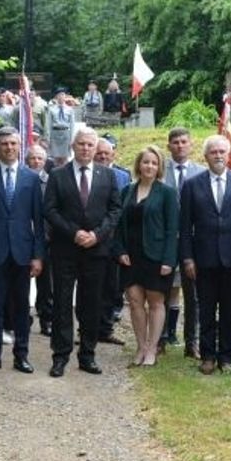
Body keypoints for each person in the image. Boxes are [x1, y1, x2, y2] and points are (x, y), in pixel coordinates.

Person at [43, 128, 123, 377]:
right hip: (66, 248)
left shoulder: (108, 176)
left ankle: (87, 354)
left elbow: (115, 211)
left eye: (90, 145)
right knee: (63, 303)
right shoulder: (57, 175)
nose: (86, 148)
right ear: (73, 146)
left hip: (96, 250)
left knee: (91, 304)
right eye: (81, 144)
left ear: (96, 148)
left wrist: (97, 235)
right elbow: (50, 210)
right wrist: (74, 232)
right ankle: (60, 355)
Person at [179, 136, 231, 375]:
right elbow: (185, 227)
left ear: (229, 155)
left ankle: (227, 356)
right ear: (205, 157)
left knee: (230, 310)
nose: (218, 155)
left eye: (222, 151)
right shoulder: (192, 185)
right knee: (205, 309)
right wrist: (187, 258)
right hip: (203, 259)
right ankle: (207, 356)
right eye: (213, 152)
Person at [0, 127, 46, 374]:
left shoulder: (32, 178)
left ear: (19, 146)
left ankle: (21, 355)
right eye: (4, 144)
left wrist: (38, 255)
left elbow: (39, 220)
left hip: (23, 252)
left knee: (21, 306)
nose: (9, 148)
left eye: (13, 143)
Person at [114, 145, 178, 367]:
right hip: (130, 257)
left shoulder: (167, 193)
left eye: (154, 162)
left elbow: (172, 229)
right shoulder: (127, 191)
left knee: (156, 303)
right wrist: (120, 250)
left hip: (157, 257)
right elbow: (118, 226)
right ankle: (141, 346)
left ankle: (153, 347)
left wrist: (169, 260)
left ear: (159, 166)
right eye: (145, 162)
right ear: (138, 165)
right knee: (134, 302)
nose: (149, 166)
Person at [161, 127, 206, 357]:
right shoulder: (159, 170)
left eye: (183, 142)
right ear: (169, 145)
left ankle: (192, 342)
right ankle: (159, 339)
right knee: (161, 291)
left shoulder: (201, 172)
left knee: (194, 294)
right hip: (165, 241)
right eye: (175, 142)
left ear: (191, 145)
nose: (180, 146)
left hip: (193, 241)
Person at [95, 135, 131, 345]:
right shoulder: (86, 175)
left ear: (113, 155)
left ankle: (106, 329)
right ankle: (87, 329)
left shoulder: (123, 176)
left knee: (112, 287)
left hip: (115, 240)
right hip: (92, 237)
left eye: (106, 153)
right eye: (99, 153)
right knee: (91, 288)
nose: (102, 156)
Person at [25, 144, 54, 336]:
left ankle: (47, 319)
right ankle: (22, 318)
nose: (36, 161)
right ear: (27, 160)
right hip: (24, 239)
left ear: (45, 161)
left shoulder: (53, 182)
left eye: (40, 158)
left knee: (47, 285)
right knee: (21, 282)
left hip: (46, 240)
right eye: (33, 158)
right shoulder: (21, 180)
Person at [46, 87, 76, 165]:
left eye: (63, 95)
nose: (61, 97)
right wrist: (48, 137)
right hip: (55, 133)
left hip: (65, 133)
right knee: (55, 157)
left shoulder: (70, 110)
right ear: (56, 97)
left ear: (65, 97)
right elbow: (48, 124)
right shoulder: (52, 109)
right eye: (59, 95)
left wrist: (72, 138)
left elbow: (72, 125)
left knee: (65, 157)